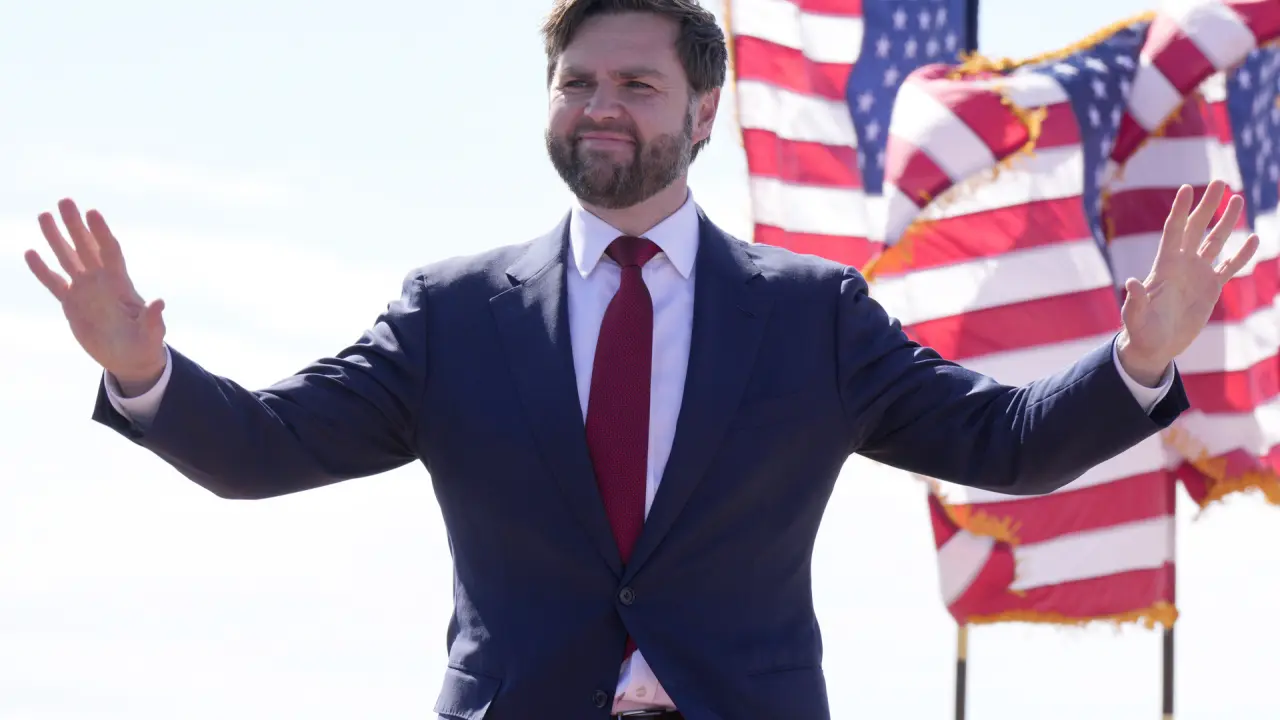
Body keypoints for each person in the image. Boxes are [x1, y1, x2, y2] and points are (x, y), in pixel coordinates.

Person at [22, 0, 1258, 718]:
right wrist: (147, 377)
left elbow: (1003, 445)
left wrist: (1135, 359)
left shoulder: (811, 314)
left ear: (703, 111)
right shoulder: (451, 314)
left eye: (634, 83)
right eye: (574, 83)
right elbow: (264, 451)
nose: (599, 105)